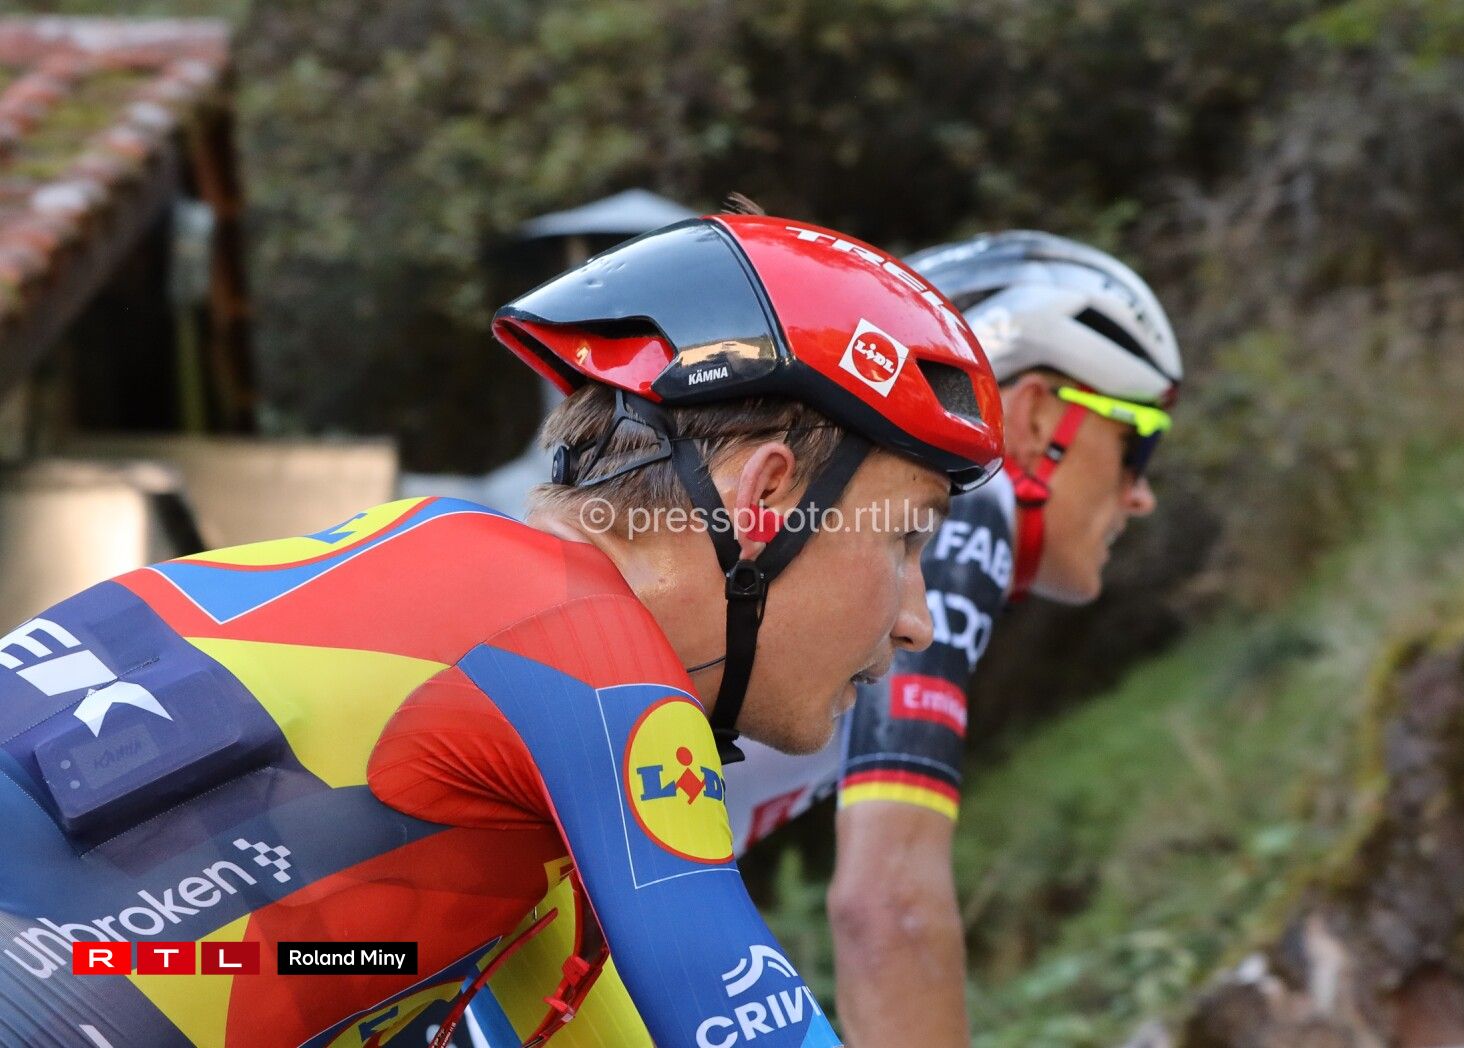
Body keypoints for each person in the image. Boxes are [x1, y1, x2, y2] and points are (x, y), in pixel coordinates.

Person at [0, 214, 1003, 1048]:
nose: (917, 619)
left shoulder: (466, 623)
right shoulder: (582, 647)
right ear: (766, 498)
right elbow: (745, 1026)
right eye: (907, 537)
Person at [461, 228, 1183, 1048]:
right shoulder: (977, 515)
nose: (1142, 495)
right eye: (1140, 441)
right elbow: (889, 909)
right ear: (1040, 414)